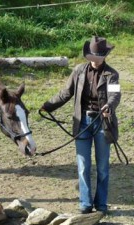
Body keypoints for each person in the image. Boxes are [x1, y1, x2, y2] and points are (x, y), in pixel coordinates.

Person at [40, 36, 121, 215]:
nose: (93, 59)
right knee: (83, 165)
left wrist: (110, 106)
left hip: (103, 123)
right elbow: (66, 93)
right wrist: (48, 105)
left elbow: (115, 96)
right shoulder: (78, 71)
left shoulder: (112, 75)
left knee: (102, 166)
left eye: (97, 56)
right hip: (82, 121)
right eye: (91, 55)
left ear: (104, 56)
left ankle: (101, 204)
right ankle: (85, 203)